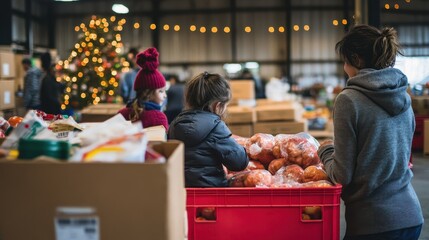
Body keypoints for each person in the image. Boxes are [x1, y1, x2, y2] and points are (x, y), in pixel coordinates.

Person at [317, 24, 423, 240]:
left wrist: (326, 151)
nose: (344, 67)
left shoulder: (348, 99)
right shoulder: (403, 95)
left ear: (355, 60)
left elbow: (342, 174)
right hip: (411, 216)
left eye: (345, 61)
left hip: (374, 222)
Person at [168, 72, 249, 187]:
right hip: (212, 191)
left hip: (182, 190)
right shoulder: (216, 127)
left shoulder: (174, 124)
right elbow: (239, 163)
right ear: (218, 106)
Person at [118, 47, 169, 131]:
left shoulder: (122, 114)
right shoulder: (159, 118)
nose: (165, 95)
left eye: (164, 91)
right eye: (161, 91)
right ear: (148, 94)